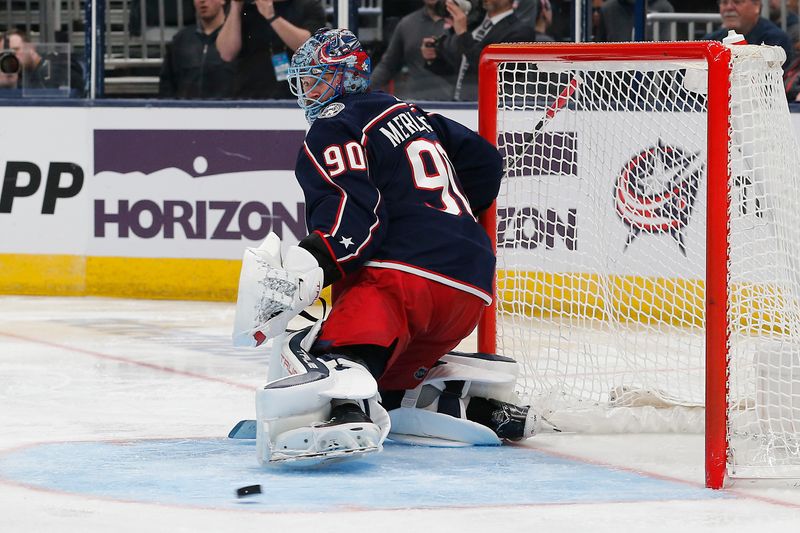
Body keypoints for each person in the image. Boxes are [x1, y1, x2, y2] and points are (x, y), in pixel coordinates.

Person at [232, 28, 540, 464]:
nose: (305, 90)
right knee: (389, 383)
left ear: (342, 77)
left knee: (329, 353)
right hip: (470, 288)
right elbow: (486, 162)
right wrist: (439, 218)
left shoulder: (333, 125)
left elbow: (352, 215)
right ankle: (464, 404)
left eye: (314, 78)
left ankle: (342, 413)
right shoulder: (408, 111)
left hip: (402, 283)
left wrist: (316, 262)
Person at [422, 0, 537, 101]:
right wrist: (433, 59)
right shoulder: (473, 25)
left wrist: (462, 34)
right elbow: (462, 67)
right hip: (459, 103)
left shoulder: (521, 31)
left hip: (490, 108)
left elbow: (499, 73)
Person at [216, 0, 326, 99]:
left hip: (295, 96)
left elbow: (310, 47)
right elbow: (227, 53)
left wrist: (271, 16)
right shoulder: (245, 7)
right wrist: (235, 6)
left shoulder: (308, 5)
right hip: (248, 96)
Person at [370, 0, 454, 101]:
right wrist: (364, 91)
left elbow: (470, 65)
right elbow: (388, 65)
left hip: (460, 104)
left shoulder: (462, 23)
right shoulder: (407, 24)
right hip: (417, 102)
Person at [159, 0, 234, 99]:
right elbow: (167, 84)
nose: (202, 1)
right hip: (186, 110)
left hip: (227, 111)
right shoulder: (181, 40)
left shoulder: (236, 40)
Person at [706, 0, 793, 69]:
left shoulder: (775, 40)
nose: (729, 7)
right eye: (724, 2)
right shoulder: (711, 41)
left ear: (756, 6)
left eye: (737, 2)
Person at [3, 28, 85, 97]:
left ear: (31, 48)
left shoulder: (53, 69)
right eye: (6, 54)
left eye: (16, 50)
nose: (12, 57)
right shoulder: (23, 75)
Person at [594, 0, 675, 42]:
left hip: (651, 70)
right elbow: (598, 49)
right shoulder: (608, 9)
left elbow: (667, 52)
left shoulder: (664, 8)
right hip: (616, 71)